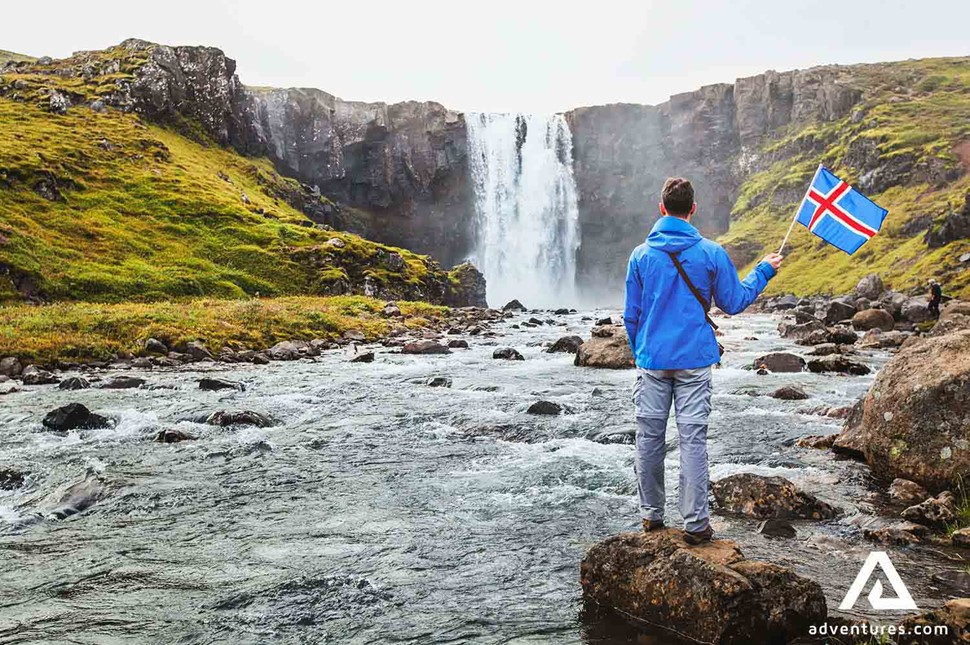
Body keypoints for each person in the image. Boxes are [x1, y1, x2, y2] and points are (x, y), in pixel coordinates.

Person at [622, 177, 783, 544]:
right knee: (693, 440)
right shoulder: (711, 252)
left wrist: (641, 350)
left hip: (652, 362)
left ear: (661, 208)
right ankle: (695, 524)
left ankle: (651, 516)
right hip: (694, 360)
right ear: (692, 209)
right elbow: (734, 302)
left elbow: (631, 315)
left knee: (649, 439)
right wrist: (764, 271)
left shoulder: (640, 255)